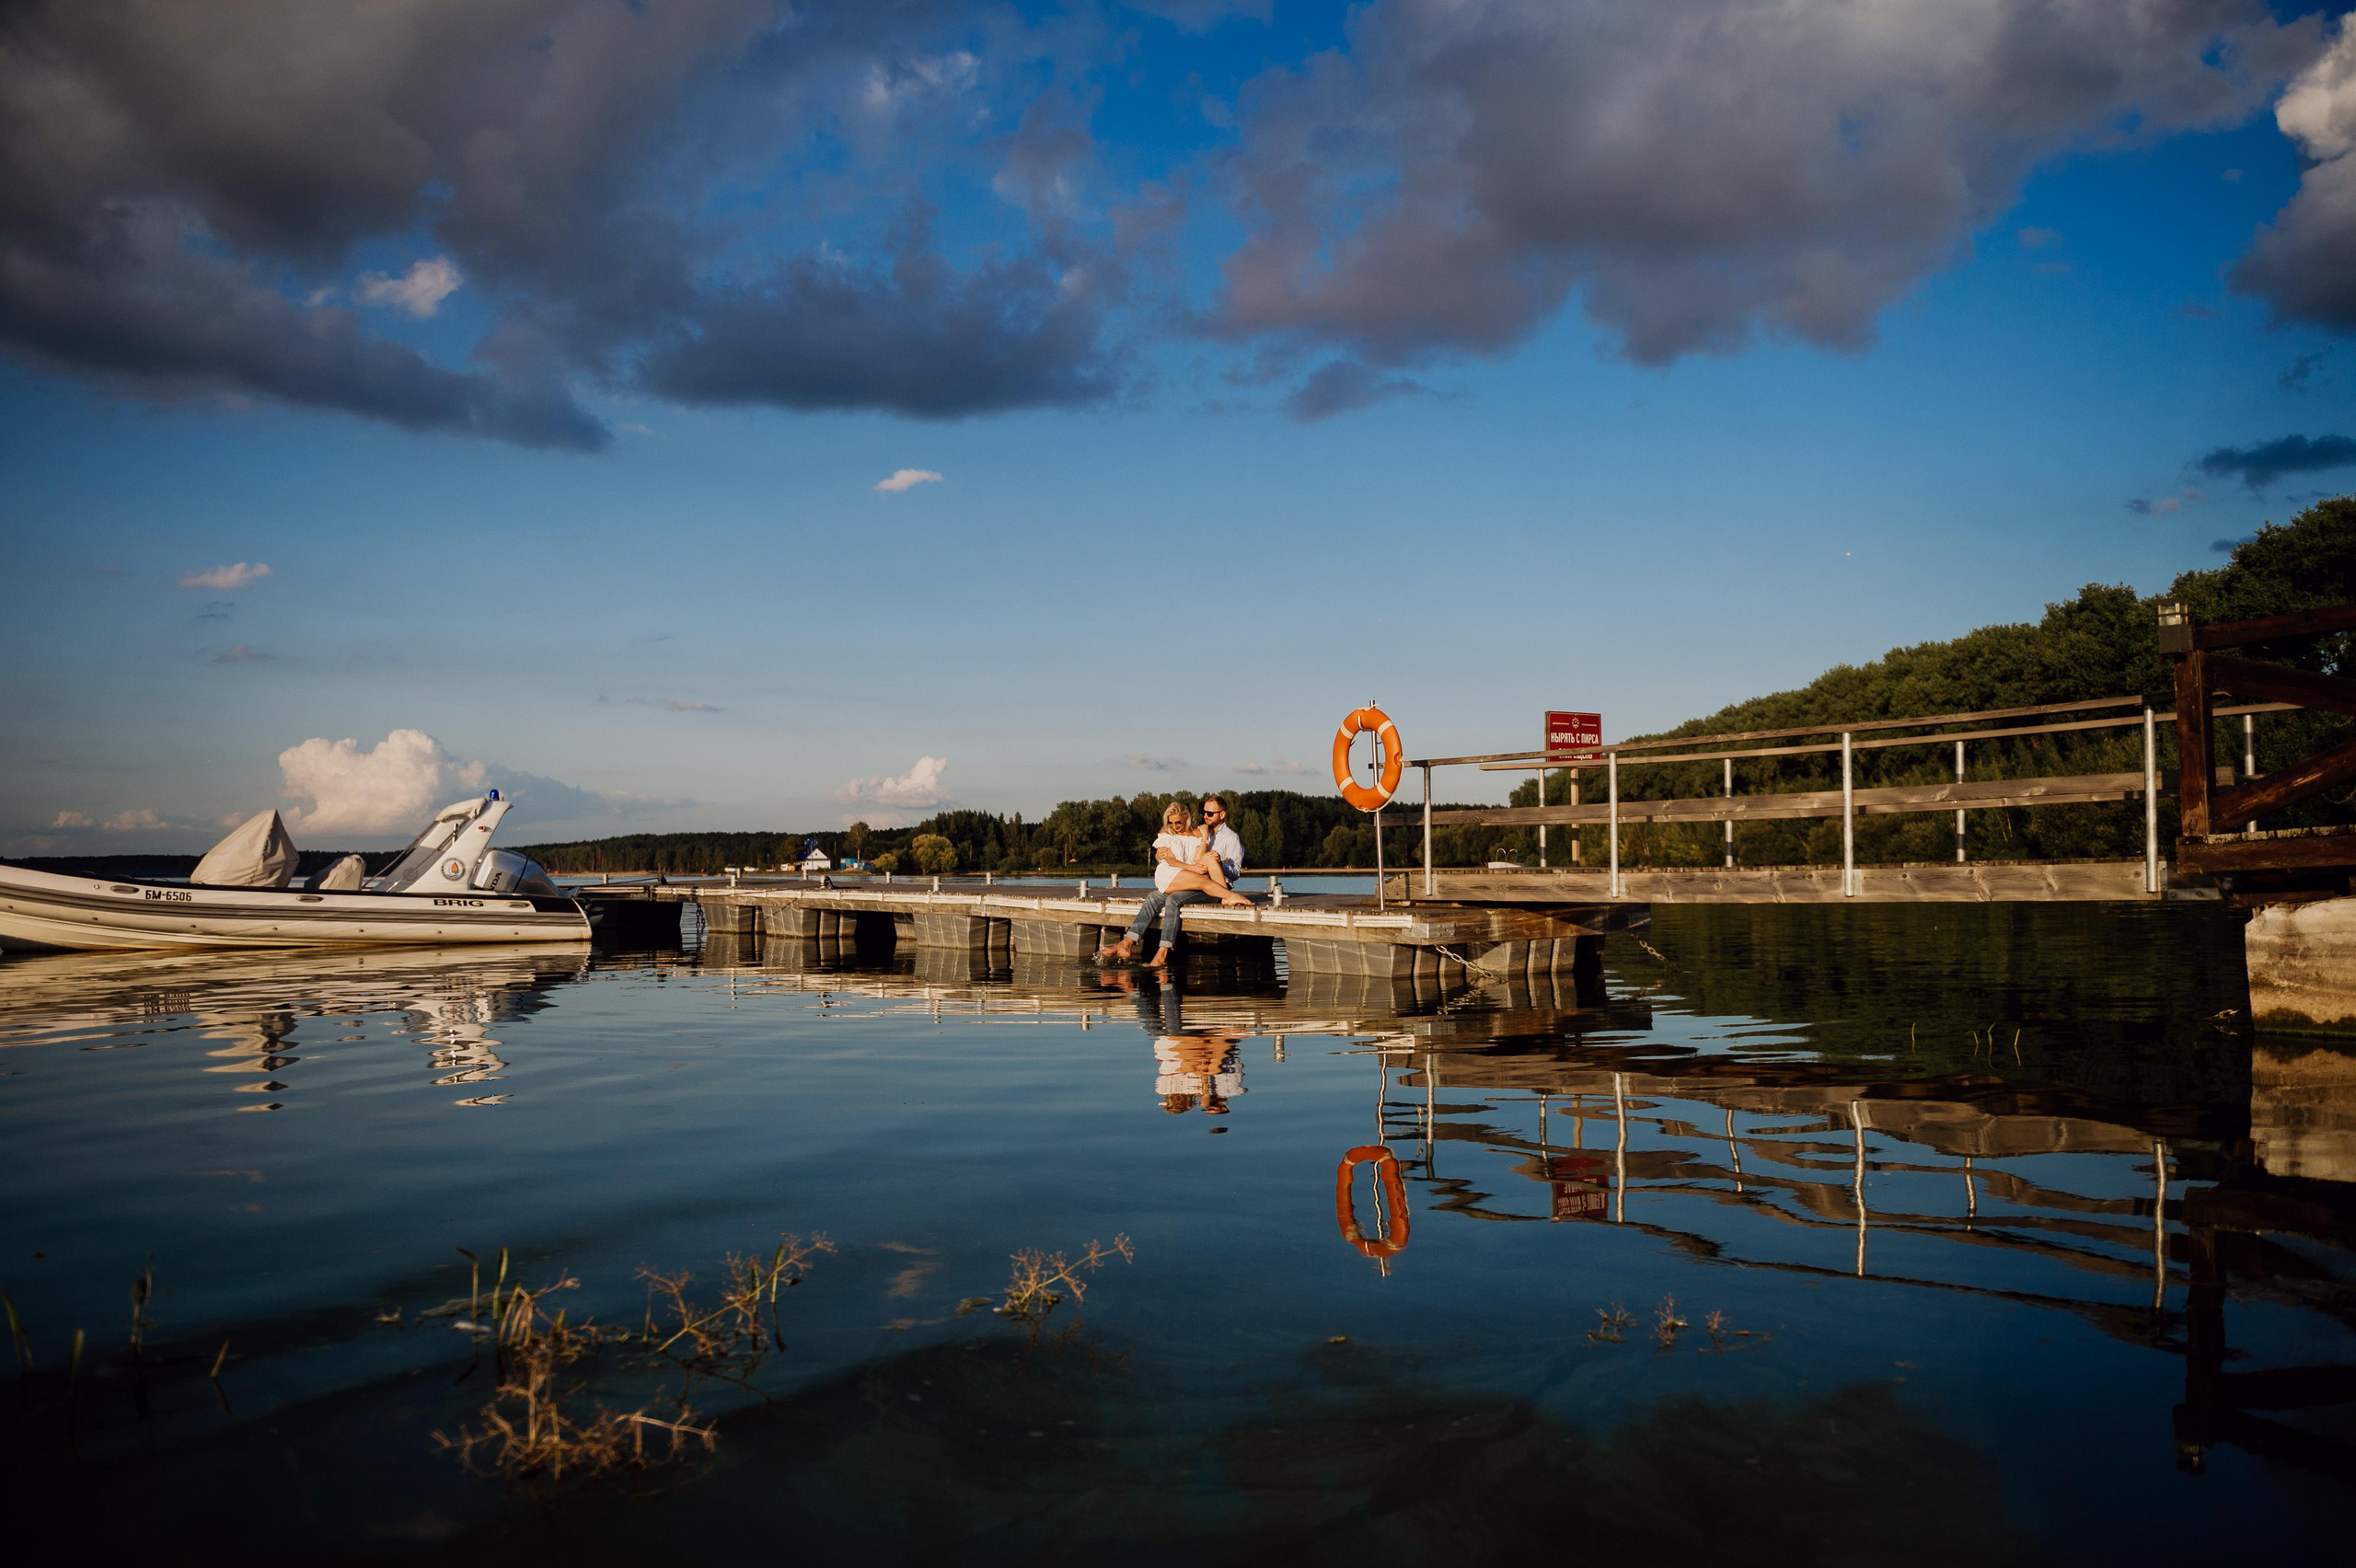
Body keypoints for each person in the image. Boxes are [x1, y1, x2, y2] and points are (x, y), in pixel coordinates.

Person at [1099, 799, 1249, 967]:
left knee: (1173, 900)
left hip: (1213, 885)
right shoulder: (1196, 831)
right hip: (1190, 879)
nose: (1205, 816)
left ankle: (1163, 952)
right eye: (1204, 812)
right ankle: (1127, 942)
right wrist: (1161, 856)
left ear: (1222, 814)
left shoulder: (1229, 837)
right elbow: (1185, 859)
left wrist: (1217, 861)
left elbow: (1234, 872)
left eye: (1210, 813)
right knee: (1153, 897)